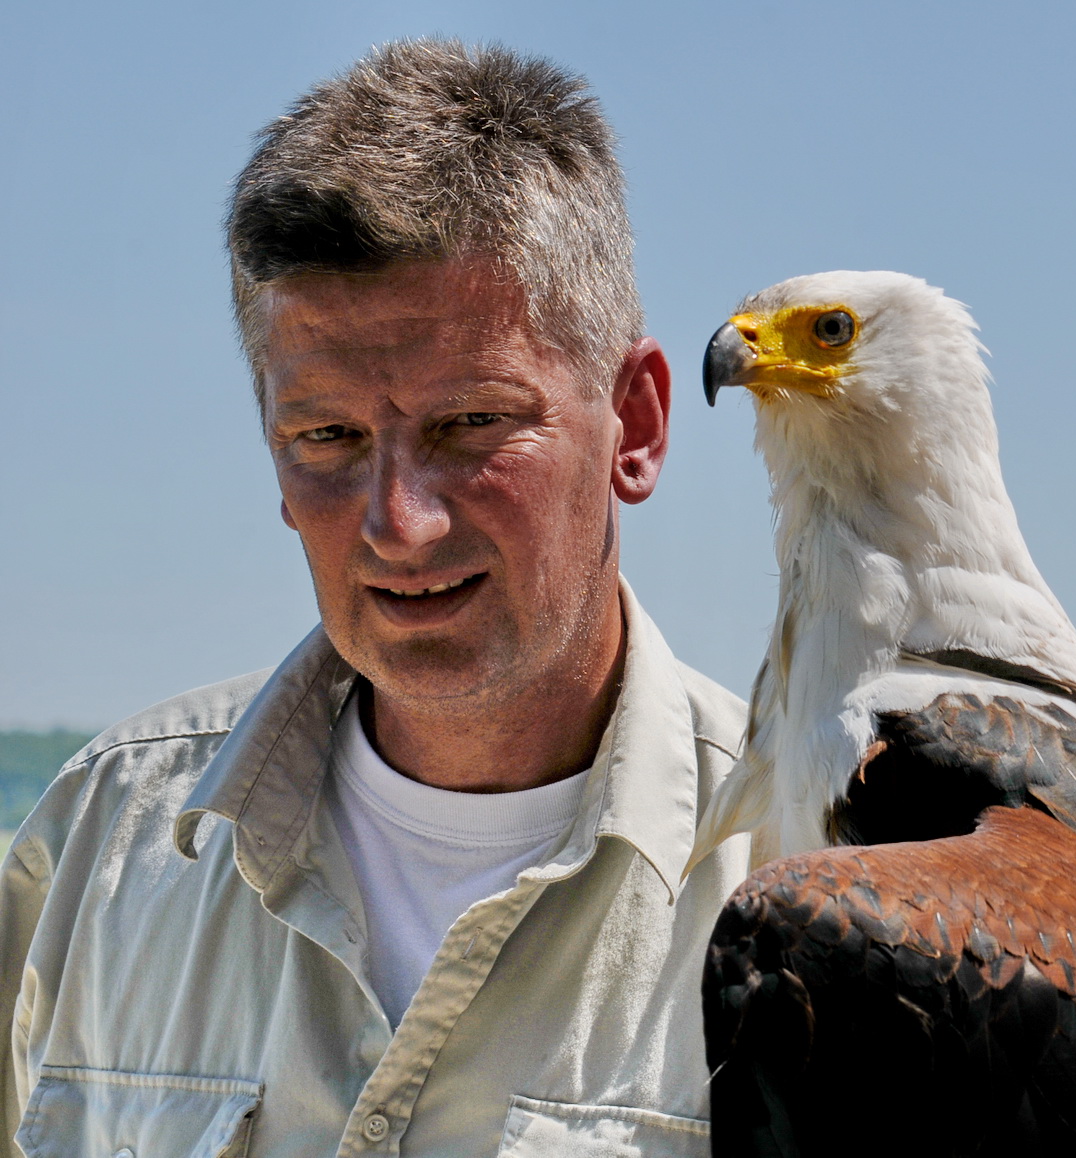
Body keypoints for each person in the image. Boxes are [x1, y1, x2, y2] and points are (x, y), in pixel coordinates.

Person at [0, 39, 749, 1157]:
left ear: (635, 426)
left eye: (470, 425)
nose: (402, 521)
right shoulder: (95, 848)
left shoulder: (804, 889)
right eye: (328, 438)